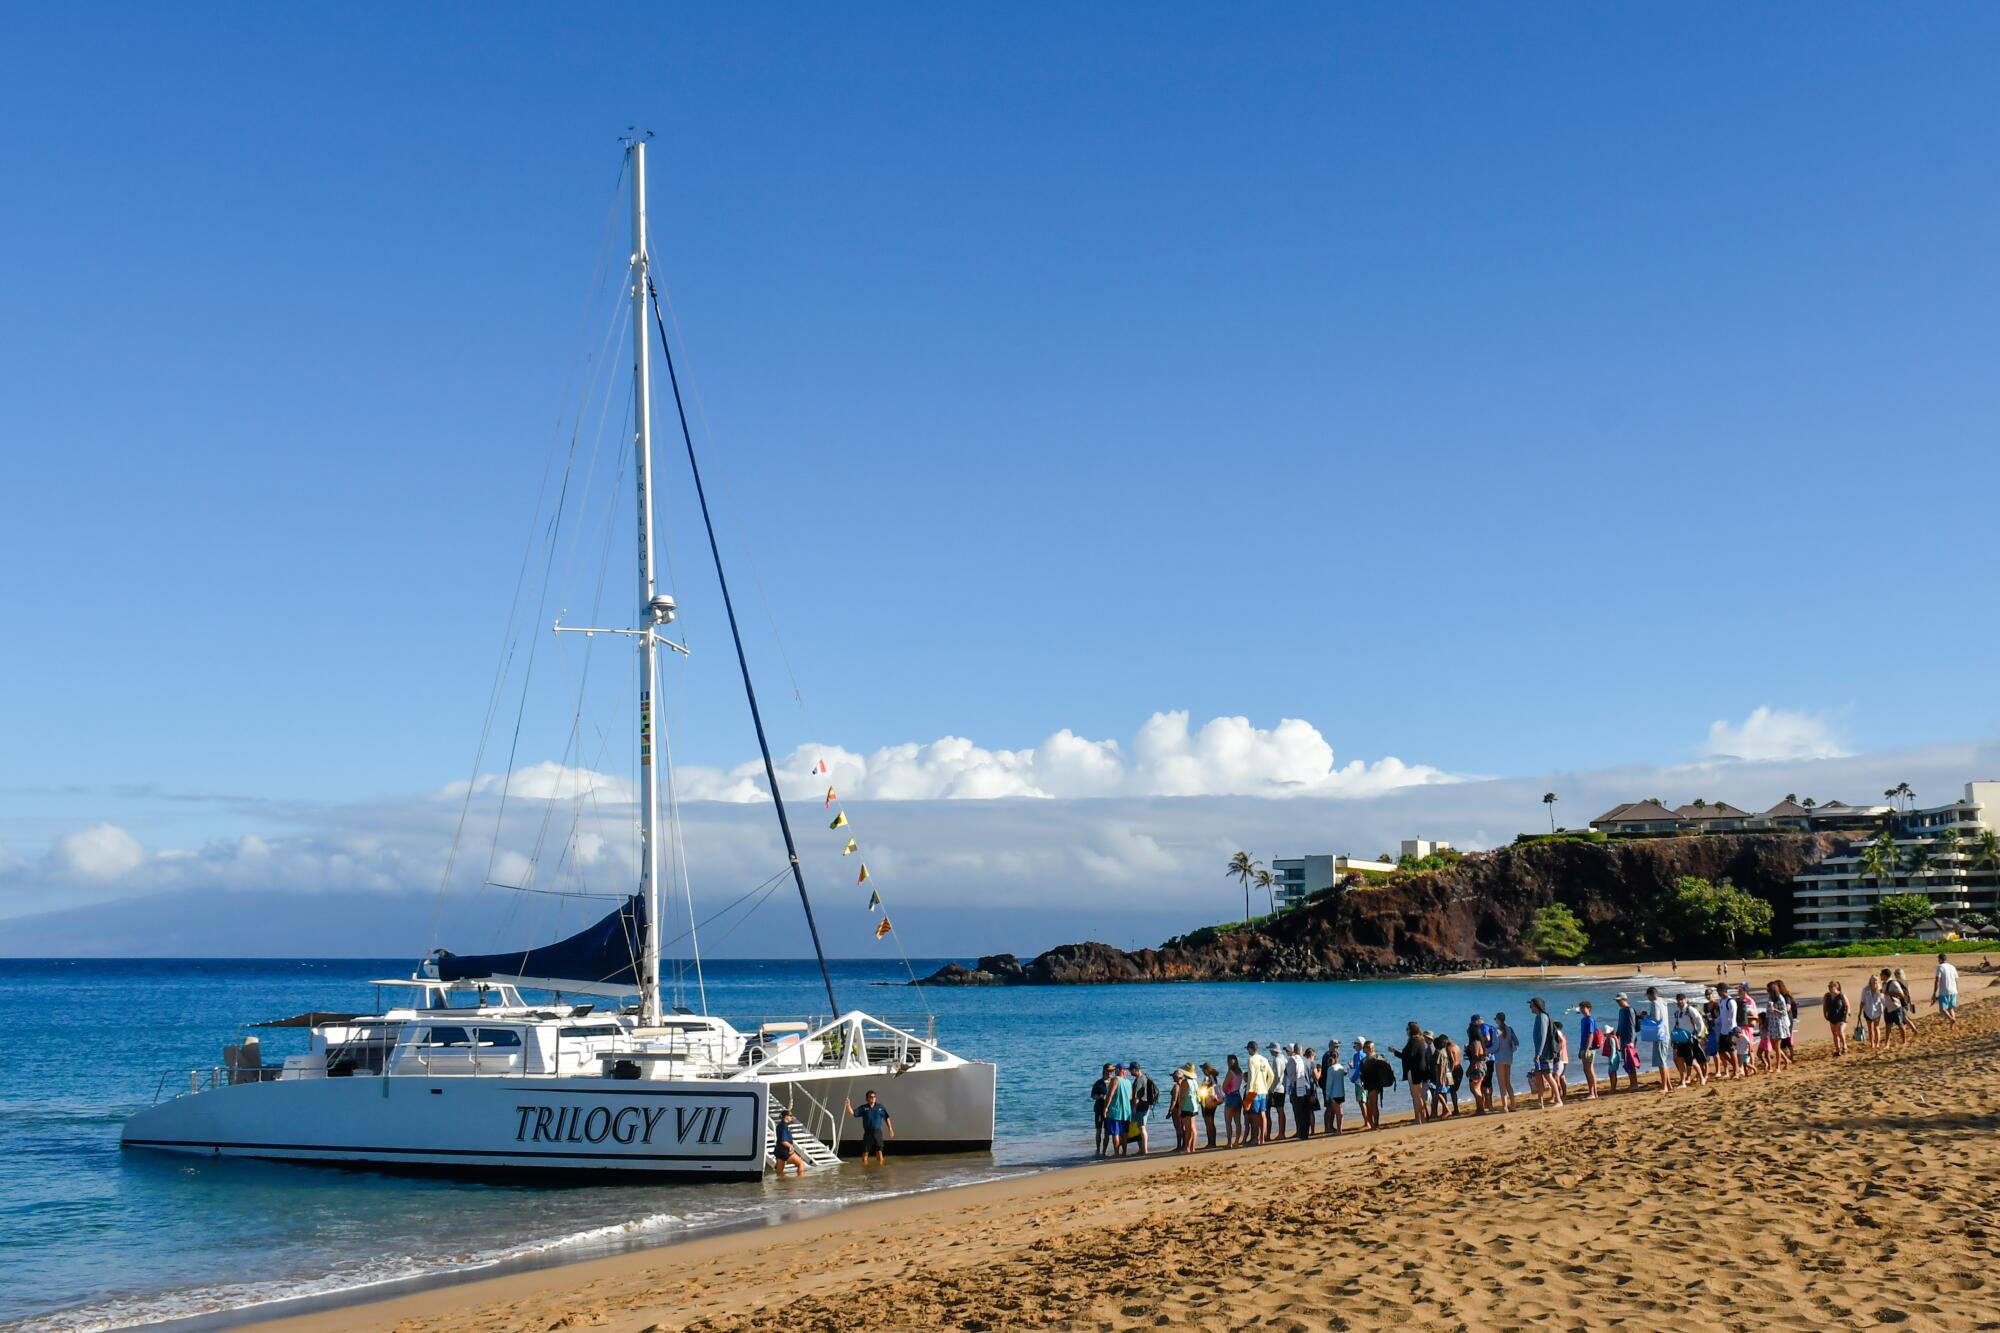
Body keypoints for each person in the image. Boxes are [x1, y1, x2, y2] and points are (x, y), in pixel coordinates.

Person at [844, 1090, 893, 1166]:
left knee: (879, 1151)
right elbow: (852, 1113)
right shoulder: (864, 1108)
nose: (873, 1098)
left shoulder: (880, 1107)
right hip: (868, 1133)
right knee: (865, 1152)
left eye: (874, 1097)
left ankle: (880, 1168)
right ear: (867, 1098)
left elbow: (886, 1117)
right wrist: (848, 1105)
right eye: (871, 1097)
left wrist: (890, 1129)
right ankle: (865, 1169)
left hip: (877, 1132)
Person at [1670, 993, 1708, 1087]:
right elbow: (1677, 1025)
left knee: (1691, 1061)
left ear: (1685, 1000)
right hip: (1681, 1039)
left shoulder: (1690, 1009)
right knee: (1679, 1059)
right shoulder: (1678, 1013)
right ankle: (1683, 1081)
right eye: (1678, 1000)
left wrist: (1698, 1034)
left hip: (1690, 1039)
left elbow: (1699, 1021)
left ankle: (1702, 1078)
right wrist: (1673, 1037)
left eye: (1681, 1000)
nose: (1680, 1002)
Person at [1399, 1022, 1433, 1124]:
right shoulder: (1421, 1040)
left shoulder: (1413, 1040)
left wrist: (1396, 1052)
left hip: (1415, 1071)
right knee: (1420, 1095)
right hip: (1422, 1070)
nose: (1406, 1031)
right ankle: (1421, 1118)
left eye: (1407, 1029)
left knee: (1416, 1096)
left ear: (1411, 1030)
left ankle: (1419, 1118)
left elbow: (1409, 1055)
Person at [1358, 1039, 1396, 1130]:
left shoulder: (1374, 1058)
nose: (1364, 1049)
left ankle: (1375, 1125)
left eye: (1365, 1047)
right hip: (1371, 1084)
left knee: (1373, 1104)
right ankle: (1373, 1124)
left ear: (1368, 1048)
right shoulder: (1371, 1058)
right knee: (1370, 1104)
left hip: (1374, 1085)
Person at [1641, 986, 1673, 1094]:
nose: (1648, 998)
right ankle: (1668, 1085)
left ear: (1651, 995)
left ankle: (1664, 1086)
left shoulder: (1655, 1003)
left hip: (1660, 1035)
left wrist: (1645, 1017)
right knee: (1663, 1060)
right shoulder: (1663, 1002)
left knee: (1661, 1061)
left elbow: (1656, 1019)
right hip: (1665, 1033)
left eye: (1648, 996)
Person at [1245, 1041, 1275, 1146]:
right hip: (1263, 1091)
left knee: (1254, 1115)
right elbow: (1271, 1075)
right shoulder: (1264, 1059)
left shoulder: (1251, 1060)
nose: (1247, 1051)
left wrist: (1249, 1091)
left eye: (1248, 1049)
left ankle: (1256, 1138)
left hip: (1254, 1091)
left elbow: (1252, 1076)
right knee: (1263, 1114)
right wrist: (1266, 1087)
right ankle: (1262, 1138)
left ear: (1251, 1049)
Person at [1490, 1011, 1519, 1112]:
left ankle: (1505, 1106)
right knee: (1508, 1082)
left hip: (1500, 1058)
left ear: (1498, 1020)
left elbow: (1495, 1046)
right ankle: (1513, 1105)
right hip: (1509, 1058)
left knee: (1501, 1083)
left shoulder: (1496, 1030)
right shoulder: (1510, 1029)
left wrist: (1487, 1051)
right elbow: (1516, 1042)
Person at [1288, 1046, 1319, 1140]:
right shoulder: (1307, 1061)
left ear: (1294, 1051)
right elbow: (1311, 1078)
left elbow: (1288, 1074)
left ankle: (1301, 1133)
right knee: (1306, 1112)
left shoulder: (1292, 1060)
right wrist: (1313, 1092)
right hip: (1307, 1089)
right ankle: (1305, 1133)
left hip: (1296, 1089)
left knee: (1299, 1112)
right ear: (1301, 1051)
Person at [1609, 993, 1637, 1094]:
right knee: (1626, 1062)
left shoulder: (1629, 1010)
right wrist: (1616, 1036)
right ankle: (1632, 1083)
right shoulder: (1621, 1011)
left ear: (1625, 999)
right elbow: (1620, 1025)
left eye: (1619, 1000)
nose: (1618, 1002)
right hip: (1623, 1039)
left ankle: (1634, 1084)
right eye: (1617, 1001)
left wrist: (1631, 1041)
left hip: (1629, 1040)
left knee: (1630, 1062)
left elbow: (1632, 1026)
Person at [1103, 1064, 1133, 1157]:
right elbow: (1130, 1097)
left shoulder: (1115, 1079)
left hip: (1115, 1111)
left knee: (1115, 1133)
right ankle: (1124, 1152)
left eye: (1115, 1069)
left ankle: (1116, 1153)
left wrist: (1106, 1107)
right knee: (1124, 1133)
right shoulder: (1128, 1082)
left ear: (1119, 1070)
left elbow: (1110, 1094)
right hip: (1127, 1112)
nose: (1114, 1071)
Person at [1129, 1061, 1158, 1154]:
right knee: (1140, 1128)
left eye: (1130, 1070)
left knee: (1141, 1128)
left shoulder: (1139, 1080)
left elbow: (1136, 1098)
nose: (1130, 1072)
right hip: (1146, 1105)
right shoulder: (1145, 1076)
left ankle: (1144, 1150)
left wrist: (1133, 1109)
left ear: (1135, 1069)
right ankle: (1141, 1149)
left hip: (1141, 1107)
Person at [1319, 1042, 1348, 1135]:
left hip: (1333, 1089)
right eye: (1335, 1047)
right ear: (1330, 1046)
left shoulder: (1336, 1066)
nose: (1337, 1048)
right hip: (1329, 1087)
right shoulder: (1327, 1057)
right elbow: (1328, 1079)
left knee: (1335, 1109)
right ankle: (1328, 1127)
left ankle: (1331, 1127)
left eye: (1338, 1047)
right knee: (1330, 1108)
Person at [1171, 1063, 1200, 1153]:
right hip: (1194, 1106)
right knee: (1193, 1128)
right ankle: (1192, 1147)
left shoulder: (1185, 1082)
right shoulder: (1194, 1082)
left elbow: (1182, 1097)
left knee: (1188, 1129)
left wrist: (1179, 1110)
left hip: (1186, 1107)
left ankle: (1187, 1147)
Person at [1464, 1024, 1492, 1115]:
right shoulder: (1479, 1042)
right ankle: (1479, 1108)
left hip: (1477, 1067)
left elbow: (1475, 1056)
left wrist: (1470, 1068)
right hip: (1480, 1066)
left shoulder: (1475, 1042)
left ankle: (1480, 1108)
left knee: (1475, 1088)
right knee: (1476, 1088)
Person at [772, 1107, 807, 1177]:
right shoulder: (784, 1126)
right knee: (801, 1164)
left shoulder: (779, 1125)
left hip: (779, 1151)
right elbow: (783, 1141)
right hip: (784, 1150)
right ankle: (799, 1181)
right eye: (790, 1116)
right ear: (786, 1116)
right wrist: (791, 1147)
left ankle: (780, 1187)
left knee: (779, 1172)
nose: (792, 1117)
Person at [1576, 1000, 1601, 1100]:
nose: (1582, 1009)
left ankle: (1593, 1093)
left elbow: (1591, 1034)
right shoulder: (1583, 1020)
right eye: (1581, 1008)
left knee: (1589, 1069)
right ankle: (1592, 1092)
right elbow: (1583, 1036)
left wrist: (1586, 1049)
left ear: (1589, 1008)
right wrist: (1580, 1049)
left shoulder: (1590, 1019)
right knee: (1586, 1070)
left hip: (1589, 1048)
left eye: (1583, 1008)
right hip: (1584, 1047)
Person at [1090, 1062, 1115, 1157]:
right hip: (1099, 1110)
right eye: (1109, 1071)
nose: (1110, 1072)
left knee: (1108, 1132)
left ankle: (1104, 1152)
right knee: (1098, 1131)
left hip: (1110, 1110)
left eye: (1112, 1071)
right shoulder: (1098, 1083)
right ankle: (1098, 1150)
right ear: (1104, 1071)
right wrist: (1100, 1096)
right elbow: (1092, 1096)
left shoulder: (1114, 1081)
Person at [1221, 1054, 1245, 1147]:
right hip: (1238, 1095)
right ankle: (1237, 1141)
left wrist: (1225, 1093)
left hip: (1231, 1096)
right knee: (1237, 1121)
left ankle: (1229, 1143)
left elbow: (1224, 1086)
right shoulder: (1240, 1072)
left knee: (1228, 1122)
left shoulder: (1230, 1073)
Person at [1823, 979, 1850, 1056]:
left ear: (1836, 987)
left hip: (1841, 1017)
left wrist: (1847, 1015)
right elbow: (1824, 1006)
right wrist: (1825, 1014)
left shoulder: (1841, 995)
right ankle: (1838, 1050)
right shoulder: (1827, 996)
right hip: (1832, 1017)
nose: (1829, 988)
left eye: (1831, 986)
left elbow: (1847, 1006)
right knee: (1834, 1034)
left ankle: (1844, 1045)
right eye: (1829, 986)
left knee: (1840, 1030)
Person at [1198, 1062, 1222, 1148]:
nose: (1202, 1071)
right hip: (1213, 1101)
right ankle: (1213, 1142)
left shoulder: (1208, 1078)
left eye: (1203, 1069)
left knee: (1208, 1123)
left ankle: (1211, 1143)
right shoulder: (1214, 1078)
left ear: (1206, 1070)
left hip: (1208, 1102)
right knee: (1211, 1122)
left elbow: (1204, 1089)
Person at [1859, 974, 1886, 1049]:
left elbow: (1884, 1002)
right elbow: (1862, 1001)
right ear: (1870, 981)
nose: (1874, 982)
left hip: (1877, 1012)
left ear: (1878, 981)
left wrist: (1885, 1011)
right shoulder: (1865, 990)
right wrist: (1859, 1012)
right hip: (1867, 1011)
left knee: (1876, 1027)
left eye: (1876, 980)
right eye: (1873, 980)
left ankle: (1877, 1043)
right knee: (1870, 1029)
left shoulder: (1881, 990)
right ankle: (1872, 1043)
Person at [1934, 953, 1961, 1025]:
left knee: (1942, 1009)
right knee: (1950, 1008)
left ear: (1940, 959)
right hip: (1953, 990)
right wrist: (1957, 990)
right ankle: (1952, 1025)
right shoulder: (1952, 967)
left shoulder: (1939, 967)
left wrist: (1934, 993)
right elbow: (1956, 980)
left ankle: (1951, 1019)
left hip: (1944, 991)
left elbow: (1937, 980)